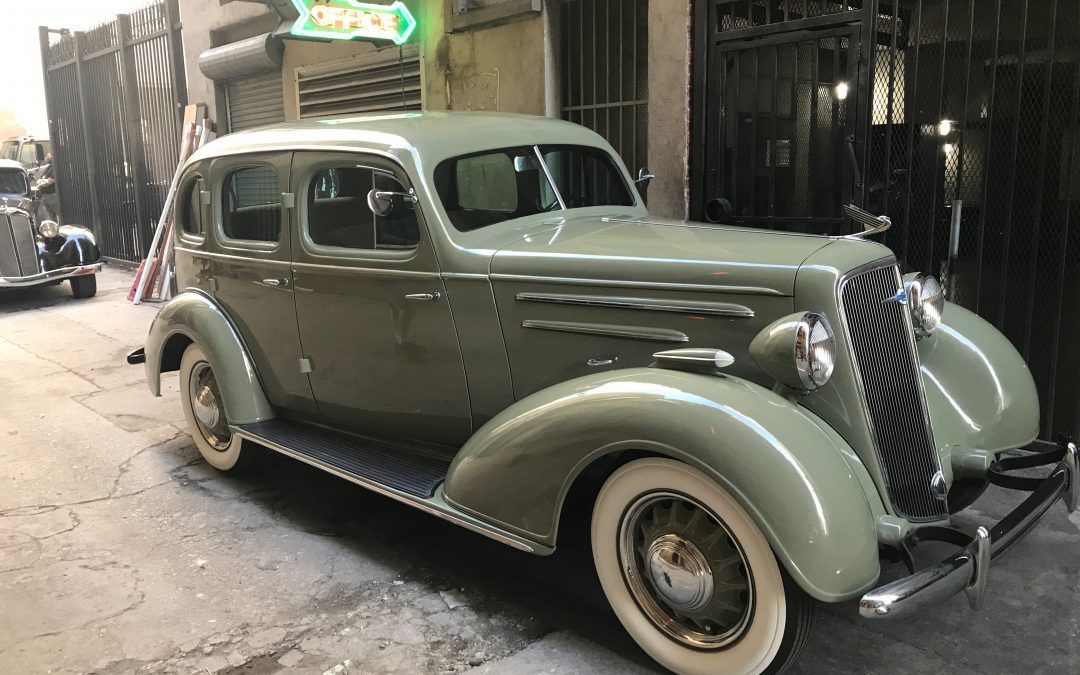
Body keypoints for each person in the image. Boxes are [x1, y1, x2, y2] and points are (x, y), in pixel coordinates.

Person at [38, 152, 61, 223]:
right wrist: (41, 181)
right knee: (50, 217)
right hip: (45, 196)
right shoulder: (48, 167)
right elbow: (40, 179)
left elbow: (51, 180)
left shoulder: (56, 167)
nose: (46, 157)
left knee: (60, 214)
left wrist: (42, 182)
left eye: (48, 155)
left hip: (53, 196)